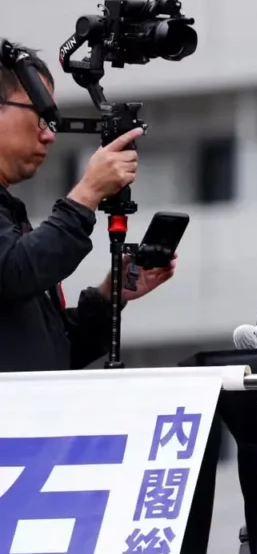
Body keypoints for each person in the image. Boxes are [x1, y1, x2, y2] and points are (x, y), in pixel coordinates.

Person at [0, 41, 174, 372]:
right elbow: (14, 272)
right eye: (40, 115)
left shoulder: (10, 210)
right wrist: (88, 192)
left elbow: (52, 352)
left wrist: (109, 297)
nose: (49, 135)